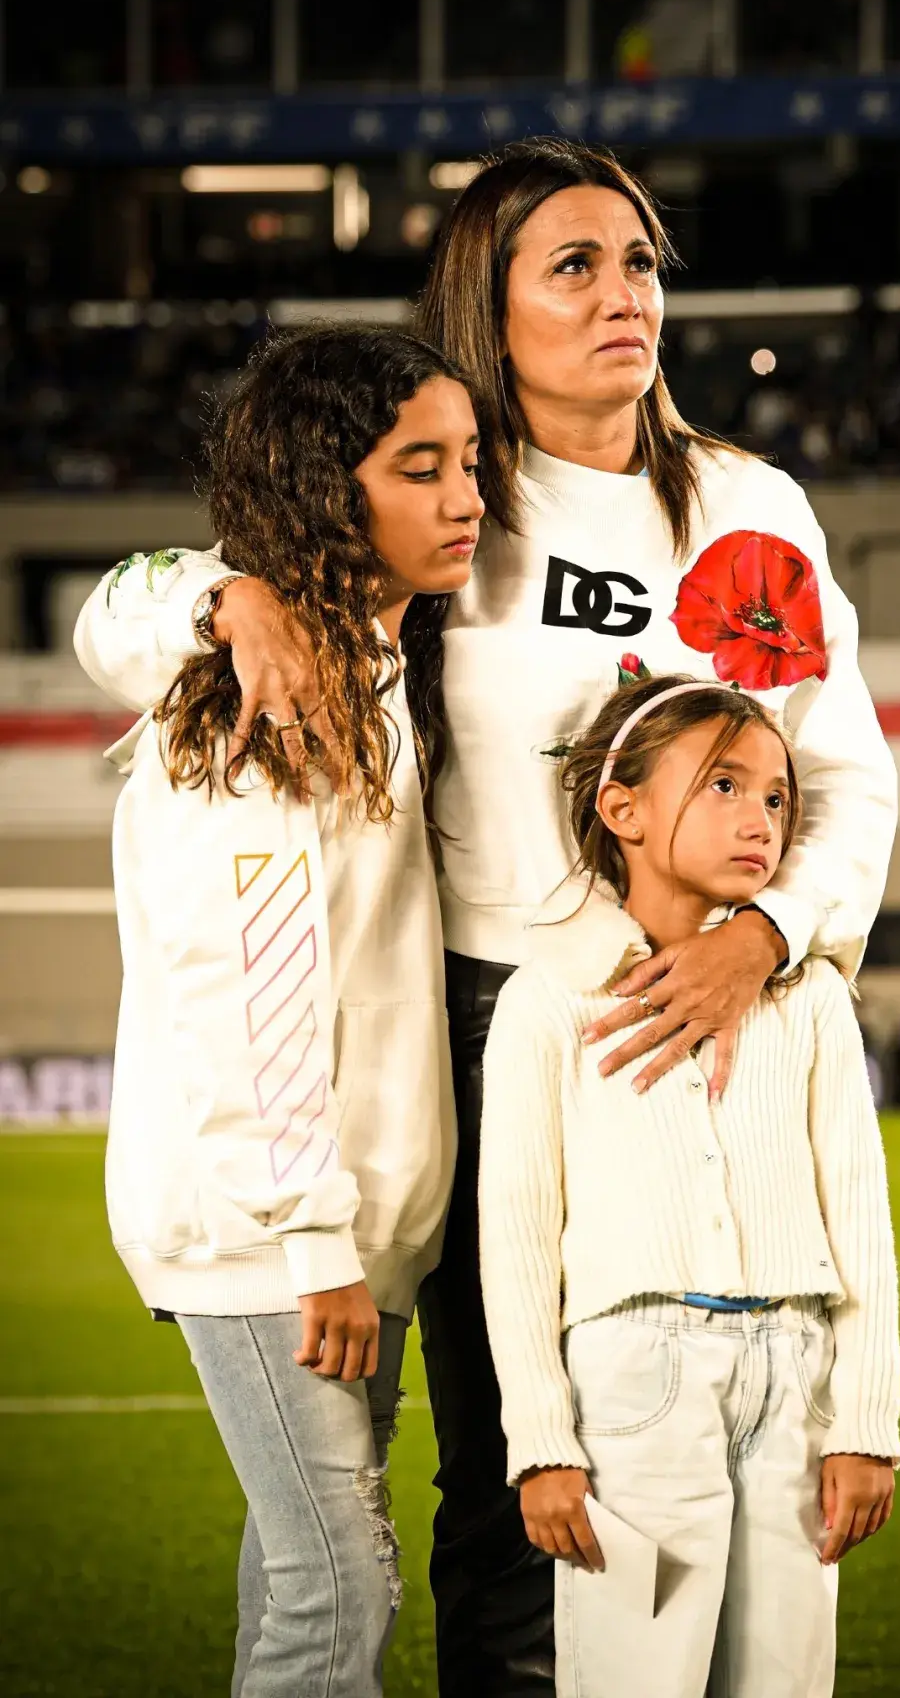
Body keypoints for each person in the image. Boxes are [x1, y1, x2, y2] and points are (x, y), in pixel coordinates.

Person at [74, 139, 897, 1696]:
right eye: (572, 265)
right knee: (516, 1475)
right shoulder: (442, 490)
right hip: (481, 1021)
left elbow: (843, 772)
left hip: (710, 1011)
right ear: (486, 299)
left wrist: (765, 937)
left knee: (722, 1456)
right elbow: (118, 614)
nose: (622, 294)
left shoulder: (739, 508)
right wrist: (224, 598)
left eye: (641, 260)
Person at [100, 323, 483, 1698]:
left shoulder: (375, 663)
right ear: (331, 489)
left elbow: (118, 604)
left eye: (469, 462)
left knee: (298, 1581)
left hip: (341, 1228)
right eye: (420, 467)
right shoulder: (269, 702)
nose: (464, 497)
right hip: (278, 1235)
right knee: (338, 1596)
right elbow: (244, 994)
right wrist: (316, 1235)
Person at [479, 674, 900, 1698]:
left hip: (796, 1374)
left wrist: (863, 1420)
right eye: (724, 783)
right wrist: (540, 1440)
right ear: (620, 808)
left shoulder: (809, 999)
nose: (761, 818)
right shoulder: (551, 998)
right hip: (637, 1380)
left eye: (775, 797)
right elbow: (520, 1231)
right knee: (639, 1673)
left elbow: (859, 1209)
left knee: (785, 1678)